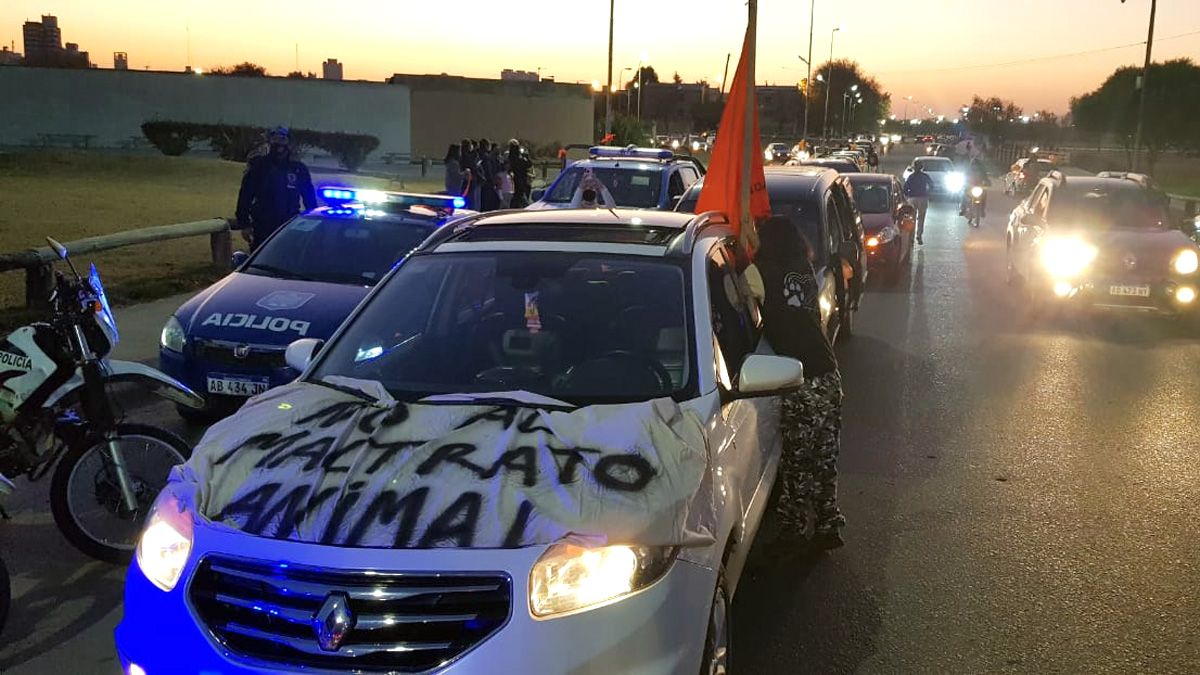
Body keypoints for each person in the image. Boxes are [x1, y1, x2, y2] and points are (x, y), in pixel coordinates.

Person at [748, 215, 845, 550]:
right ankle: (827, 525)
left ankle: (792, 530)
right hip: (828, 374)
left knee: (798, 461)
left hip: (802, 379)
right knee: (823, 455)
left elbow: (735, 288)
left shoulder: (759, 274)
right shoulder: (802, 268)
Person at [235, 127, 316, 250]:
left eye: (283, 139)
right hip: (263, 224)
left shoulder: (298, 168)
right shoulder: (259, 166)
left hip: (289, 224)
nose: (280, 144)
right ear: (270, 141)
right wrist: (244, 223)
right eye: (275, 139)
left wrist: (313, 222)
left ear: (289, 142)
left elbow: (309, 197)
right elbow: (246, 195)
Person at [903, 160, 935, 245]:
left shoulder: (911, 177)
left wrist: (907, 196)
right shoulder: (925, 176)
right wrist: (928, 193)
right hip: (923, 198)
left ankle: (911, 237)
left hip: (912, 198)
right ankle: (919, 235)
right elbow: (932, 185)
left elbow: (905, 188)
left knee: (912, 219)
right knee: (921, 218)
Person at [508, 139, 533, 208]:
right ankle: (521, 206)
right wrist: (526, 156)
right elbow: (528, 164)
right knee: (521, 193)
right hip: (520, 177)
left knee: (518, 193)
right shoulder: (516, 156)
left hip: (517, 177)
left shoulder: (511, 156)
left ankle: (516, 206)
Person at [477, 138, 500, 212]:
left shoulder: (478, 155)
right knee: (493, 201)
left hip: (482, 182)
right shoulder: (486, 157)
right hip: (488, 182)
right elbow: (488, 169)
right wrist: (492, 180)